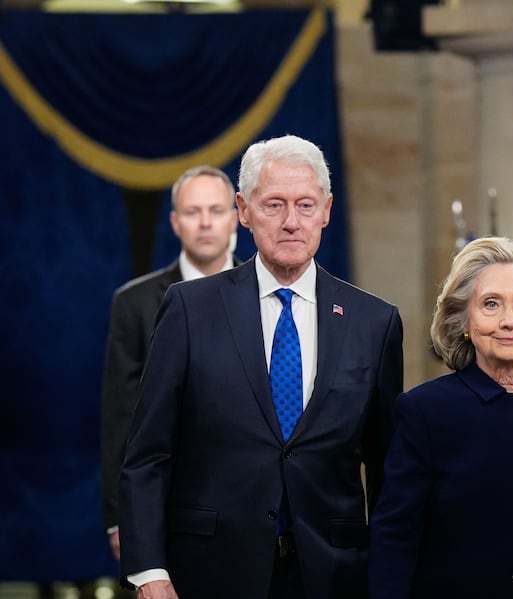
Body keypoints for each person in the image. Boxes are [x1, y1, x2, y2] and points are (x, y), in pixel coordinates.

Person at [117, 134, 404, 599]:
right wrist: (149, 570)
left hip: (333, 575)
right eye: (274, 204)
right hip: (210, 571)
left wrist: (391, 577)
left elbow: (388, 467)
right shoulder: (190, 309)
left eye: (305, 205)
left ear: (327, 210)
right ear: (244, 210)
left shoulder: (375, 321)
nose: (291, 221)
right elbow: (148, 453)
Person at [369, 236, 513, 599]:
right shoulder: (424, 411)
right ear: (464, 319)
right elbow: (395, 536)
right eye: (491, 304)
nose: (509, 321)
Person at [100, 165, 240, 560]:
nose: (205, 223)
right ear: (176, 222)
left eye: (216, 210)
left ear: (236, 218)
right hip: (166, 501)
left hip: (252, 500)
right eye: (193, 212)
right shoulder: (134, 303)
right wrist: (119, 517)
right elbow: (120, 417)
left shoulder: (267, 295)